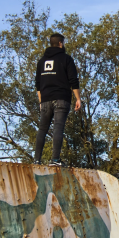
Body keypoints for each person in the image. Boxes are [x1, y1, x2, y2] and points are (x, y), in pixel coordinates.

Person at [34, 33, 81, 165]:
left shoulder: (41, 61)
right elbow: (73, 80)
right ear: (60, 43)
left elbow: (38, 84)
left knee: (42, 129)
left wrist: (41, 101)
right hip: (61, 98)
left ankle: (36, 160)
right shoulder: (66, 59)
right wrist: (78, 98)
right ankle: (55, 160)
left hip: (45, 99)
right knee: (58, 128)